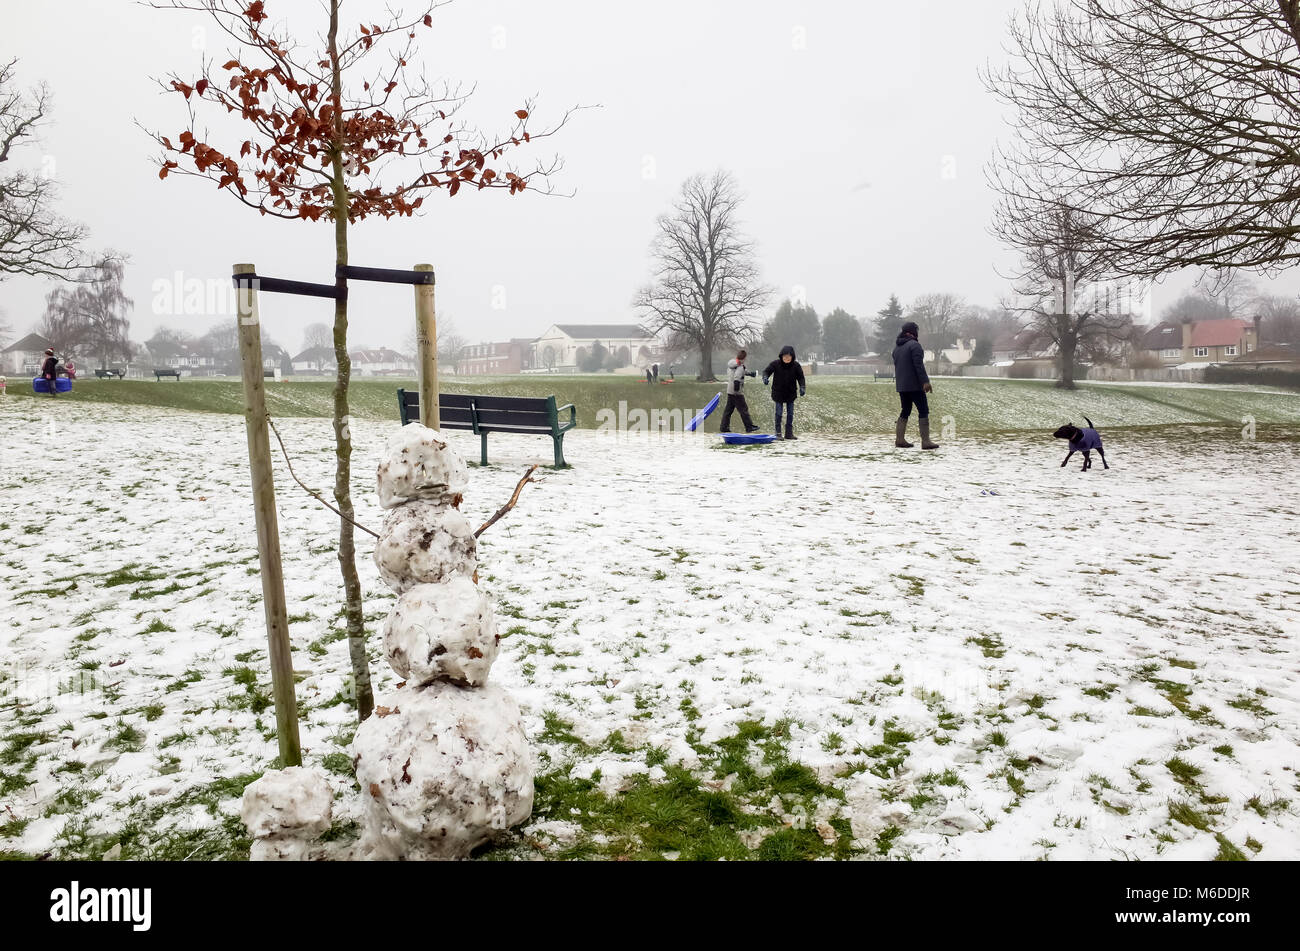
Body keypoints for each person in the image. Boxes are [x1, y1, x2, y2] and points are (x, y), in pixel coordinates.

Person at [892, 321, 939, 449]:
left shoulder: (897, 348)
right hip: (915, 385)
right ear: (913, 332)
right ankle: (926, 441)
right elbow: (918, 365)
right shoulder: (914, 345)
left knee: (905, 410)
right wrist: (925, 382)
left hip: (902, 386)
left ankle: (899, 440)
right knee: (923, 410)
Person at [762, 345, 807, 440]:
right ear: (781, 356)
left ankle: (789, 433)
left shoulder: (796, 366)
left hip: (790, 393)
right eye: (785, 356)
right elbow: (766, 371)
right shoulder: (775, 364)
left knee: (790, 414)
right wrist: (765, 378)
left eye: (789, 356)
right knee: (779, 413)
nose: (787, 358)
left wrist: (802, 387)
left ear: (792, 356)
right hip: (778, 393)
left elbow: (801, 377)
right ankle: (778, 433)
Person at [719, 349, 760, 433]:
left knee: (728, 411)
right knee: (743, 409)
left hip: (730, 390)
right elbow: (737, 376)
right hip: (736, 392)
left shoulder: (733, 364)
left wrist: (751, 374)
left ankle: (724, 427)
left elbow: (741, 372)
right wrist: (737, 388)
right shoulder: (740, 366)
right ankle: (749, 427)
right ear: (744, 358)